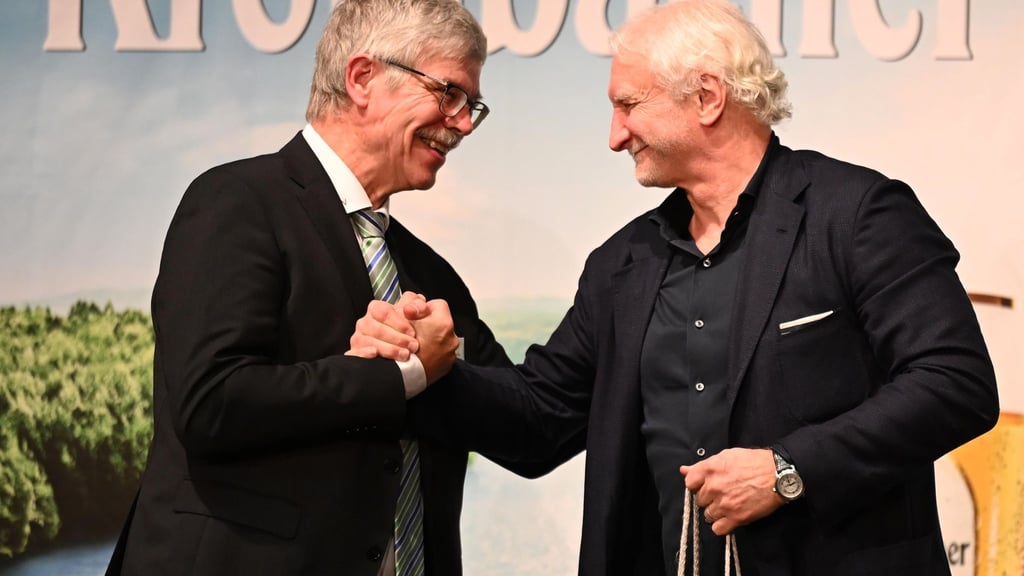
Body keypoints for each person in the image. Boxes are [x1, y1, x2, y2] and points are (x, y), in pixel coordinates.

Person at [350, 0, 1000, 574]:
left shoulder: (857, 214)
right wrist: (432, 368)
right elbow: (540, 421)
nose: (614, 137)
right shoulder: (622, 264)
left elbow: (954, 384)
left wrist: (787, 469)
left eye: (628, 106)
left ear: (708, 97)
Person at [104, 1, 515, 575]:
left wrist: (640, 294)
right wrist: (401, 375)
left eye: (472, 106)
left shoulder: (431, 276)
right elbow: (211, 404)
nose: (463, 122)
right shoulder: (236, 202)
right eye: (448, 94)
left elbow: (530, 424)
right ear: (363, 77)